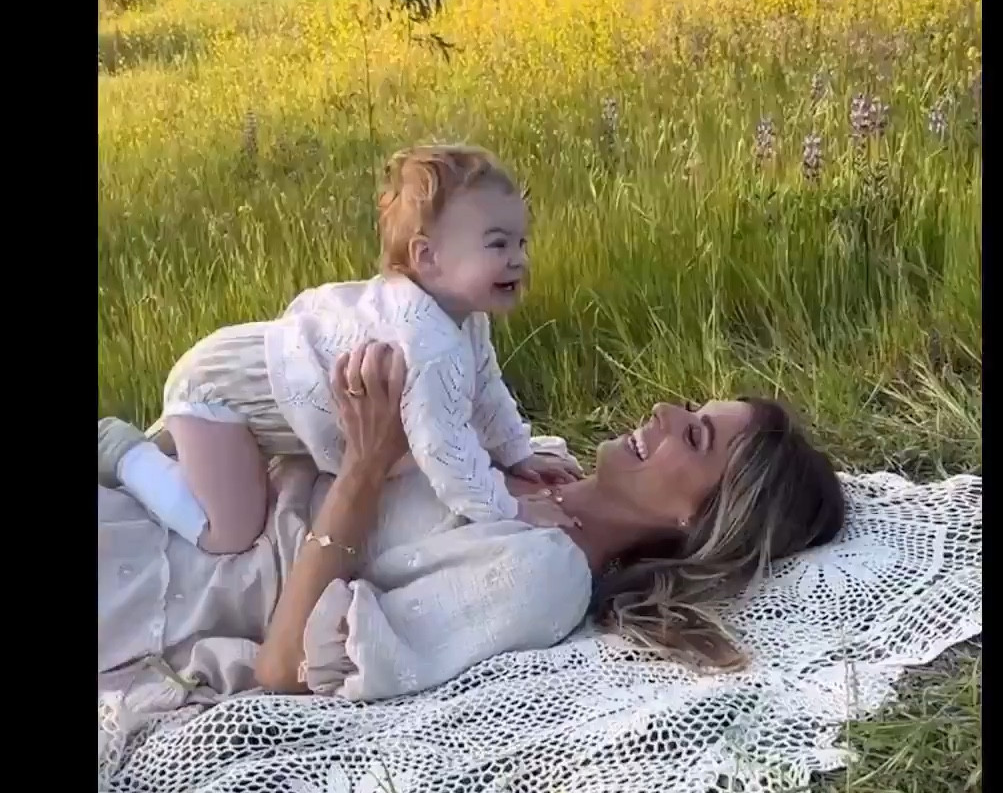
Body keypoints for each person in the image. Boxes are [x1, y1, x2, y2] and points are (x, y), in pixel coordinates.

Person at [98, 344, 846, 728]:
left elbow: (284, 664)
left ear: (700, 520)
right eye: (685, 405)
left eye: (694, 434)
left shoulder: (543, 578)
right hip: (151, 497)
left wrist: (365, 466)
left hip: (161, 586)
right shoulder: (535, 464)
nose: (657, 410)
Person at [97, 144, 581, 558]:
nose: (518, 258)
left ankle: (168, 444)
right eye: (497, 245)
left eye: (521, 242)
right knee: (232, 532)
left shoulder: (462, 316)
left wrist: (516, 454)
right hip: (221, 390)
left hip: (239, 372)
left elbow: (485, 391)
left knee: (214, 467)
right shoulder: (426, 342)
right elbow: (445, 449)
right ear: (426, 257)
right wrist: (509, 508)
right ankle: (123, 452)